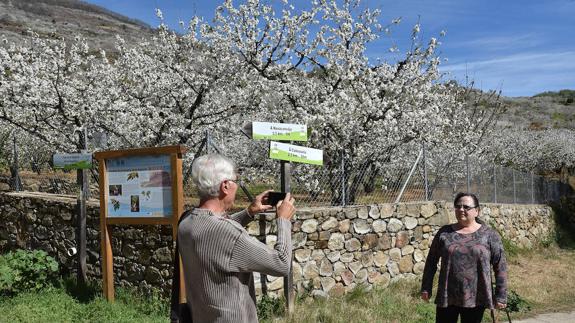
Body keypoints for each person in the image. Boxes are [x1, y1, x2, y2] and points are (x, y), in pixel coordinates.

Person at [178, 153, 296, 323]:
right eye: (236, 181)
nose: (237, 186)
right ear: (225, 186)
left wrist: (248, 212)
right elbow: (282, 264)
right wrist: (283, 221)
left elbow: (214, 231)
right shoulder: (229, 234)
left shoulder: (186, 222)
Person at [421, 192, 507, 323]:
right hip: (447, 296)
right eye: (458, 206)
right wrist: (426, 287)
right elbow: (431, 261)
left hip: (476, 297)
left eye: (466, 207)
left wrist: (501, 296)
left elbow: (500, 266)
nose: (461, 209)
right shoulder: (444, 233)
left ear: (476, 211)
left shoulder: (489, 235)